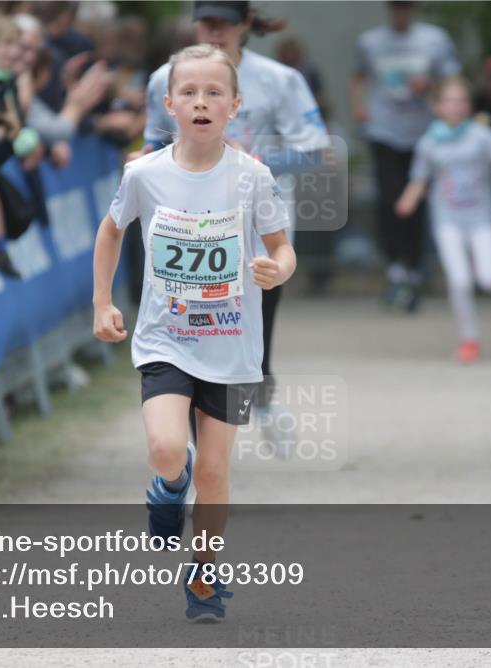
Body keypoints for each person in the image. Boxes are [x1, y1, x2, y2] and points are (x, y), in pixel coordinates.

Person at [92, 44, 295, 622]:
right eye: (189, 93)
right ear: (169, 105)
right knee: (164, 450)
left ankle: (203, 577)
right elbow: (111, 232)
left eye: (213, 93)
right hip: (167, 339)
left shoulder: (253, 177)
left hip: (232, 349)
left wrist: (276, 268)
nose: (201, 102)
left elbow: (283, 248)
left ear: (235, 106)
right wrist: (102, 302)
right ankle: (166, 486)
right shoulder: (145, 174)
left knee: (214, 471)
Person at [139, 0, 328, 430]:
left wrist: (250, 159)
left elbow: (314, 151)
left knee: (252, 331)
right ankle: (192, 436)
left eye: (225, 23)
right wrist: (145, 156)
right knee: (185, 332)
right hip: (187, 231)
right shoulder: (161, 80)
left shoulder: (280, 80)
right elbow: (155, 138)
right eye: (206, 22)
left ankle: (259, 395)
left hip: (257, 232)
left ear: (245, 24)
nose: (214, 32)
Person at [395, 78, 491, 363]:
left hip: (482, 219)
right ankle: (469, 339)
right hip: (447, 220)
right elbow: (419, 180)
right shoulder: (429, 142)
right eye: (449, 101)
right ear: (437, 106)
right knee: (459, 280)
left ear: (468, 106)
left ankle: (478, 267)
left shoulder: (482, 136)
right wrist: (408, 200)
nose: (455, 106)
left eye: (461, 101)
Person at [350, 0, 460, 312]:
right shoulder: (371, 41)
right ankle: (395, 265)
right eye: (396, 6)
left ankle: (415, 267)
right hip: (384, 132)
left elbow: (451, 82)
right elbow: (357, 77)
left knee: (418, 203)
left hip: (423, 134)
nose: (402, 12)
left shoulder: (434, 40)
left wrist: (431, 87)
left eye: (407, 6)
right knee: (389, 200)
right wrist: (360, 110)